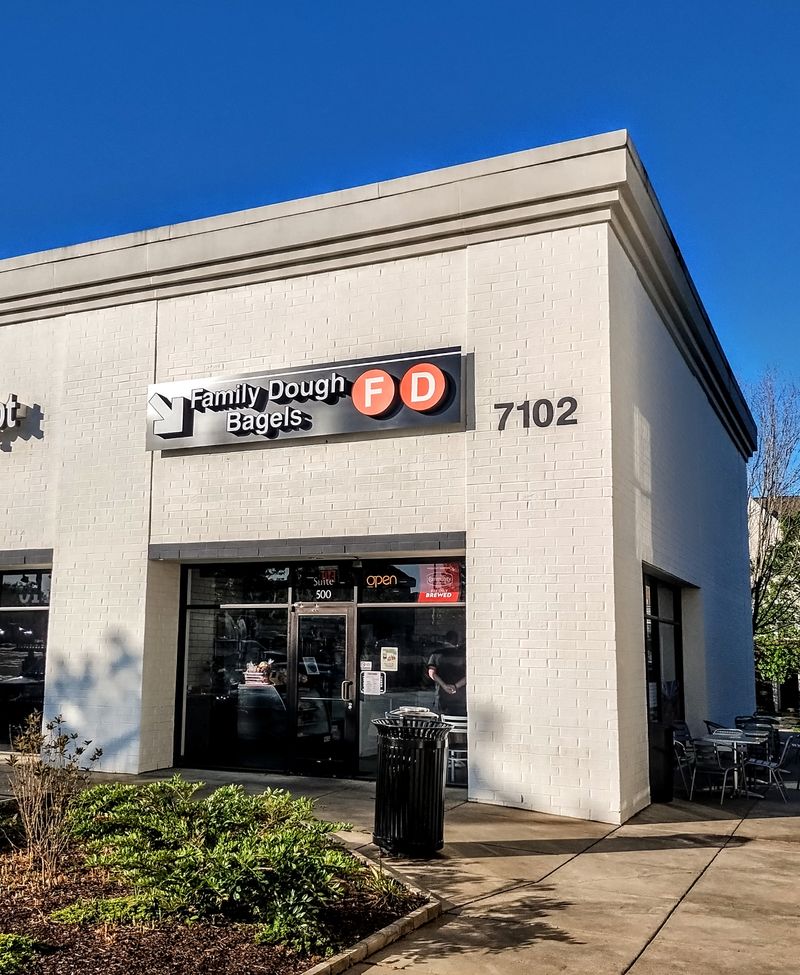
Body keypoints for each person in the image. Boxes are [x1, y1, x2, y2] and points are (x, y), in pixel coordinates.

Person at [427, 631, 466, 715]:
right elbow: (469, 676)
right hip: (460, 696)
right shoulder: (463, 655)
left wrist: (444, 686)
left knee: (442, 722)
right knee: (458, 721)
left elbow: (432, 673)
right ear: (456, 640)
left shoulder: (435, 654)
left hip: (441, 695)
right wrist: (455, 686)